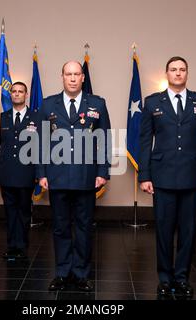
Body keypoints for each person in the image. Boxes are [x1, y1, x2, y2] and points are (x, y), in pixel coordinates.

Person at [138, 56, 196, 298]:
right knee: (163, 230)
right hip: (161, 177)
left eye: (182, 69)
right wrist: (144, 175)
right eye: (173, 69)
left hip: (193, 177)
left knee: (188, 230)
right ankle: (164, 278)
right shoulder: (153, 103)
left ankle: (182, 277)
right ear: (167, 73)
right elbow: (144, 141)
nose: (178, 73)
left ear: (187, 73)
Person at [37, 61, 111, 292]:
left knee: (83, 227)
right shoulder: (49, 104)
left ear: (83, 78)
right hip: (57, 176)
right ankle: (61, 272)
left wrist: (103, 172)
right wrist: (41, 173)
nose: (72, 78)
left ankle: (80, 274)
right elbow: (40, 142)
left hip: (85, 176)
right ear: (62, 77)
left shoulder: (97, 103)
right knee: (60, 227)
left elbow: (104, 140)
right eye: (68, 74)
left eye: (76, 74)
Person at [0, 82, 39, 260]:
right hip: (6, 173)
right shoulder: (2, 118)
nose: (17, 94)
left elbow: (43, 147)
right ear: (10, 95)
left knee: (24, 212)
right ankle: (12, 246)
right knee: (10, 212)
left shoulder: (36, 117)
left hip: (27, 173)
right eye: (14, 92)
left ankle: (22, 245)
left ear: (26, 95)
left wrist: (40, 173)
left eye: (21, 92)